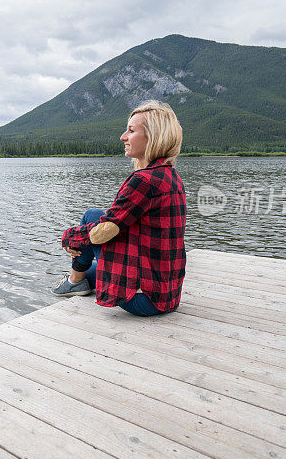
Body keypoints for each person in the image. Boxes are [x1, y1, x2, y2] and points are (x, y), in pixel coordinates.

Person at [52, 101, 186, 317]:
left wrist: (68, 237)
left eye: (131, 131)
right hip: (168, 294)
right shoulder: (171, 176)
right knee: (93, 267)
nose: (123, 137)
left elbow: (104, 230)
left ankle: (73, 282)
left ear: (153, 136)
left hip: (144, 299)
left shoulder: (144, 180)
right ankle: (78, 279)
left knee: (91, 217)